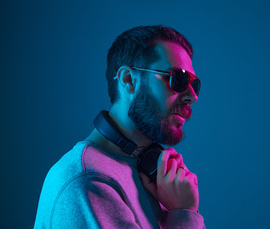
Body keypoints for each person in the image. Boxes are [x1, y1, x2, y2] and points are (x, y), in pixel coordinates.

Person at [34, 25, 205, 228]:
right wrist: (184, 213)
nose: (192, 97)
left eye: (194, 85)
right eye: (179, 79)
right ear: (128, 80)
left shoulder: (157, 176)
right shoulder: (89, 182)